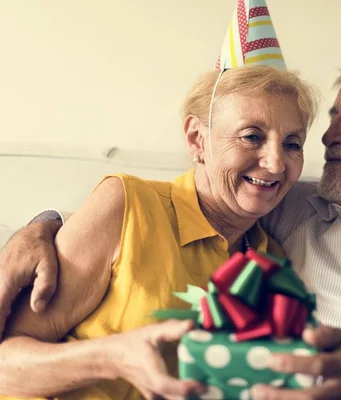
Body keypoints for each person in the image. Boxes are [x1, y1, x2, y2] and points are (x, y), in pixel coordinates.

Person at [0, 1, 341, 399]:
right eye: (253, 136)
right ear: (196, 137)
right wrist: (41, 226)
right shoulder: (279, 215)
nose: (318, 143)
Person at [0, 2, 320, 397]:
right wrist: (114, 357)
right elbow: (5, 365)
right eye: (251, 136)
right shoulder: (127, 205)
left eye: (293, 144)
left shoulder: (273, 263)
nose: (275, 164)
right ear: (196, 140)